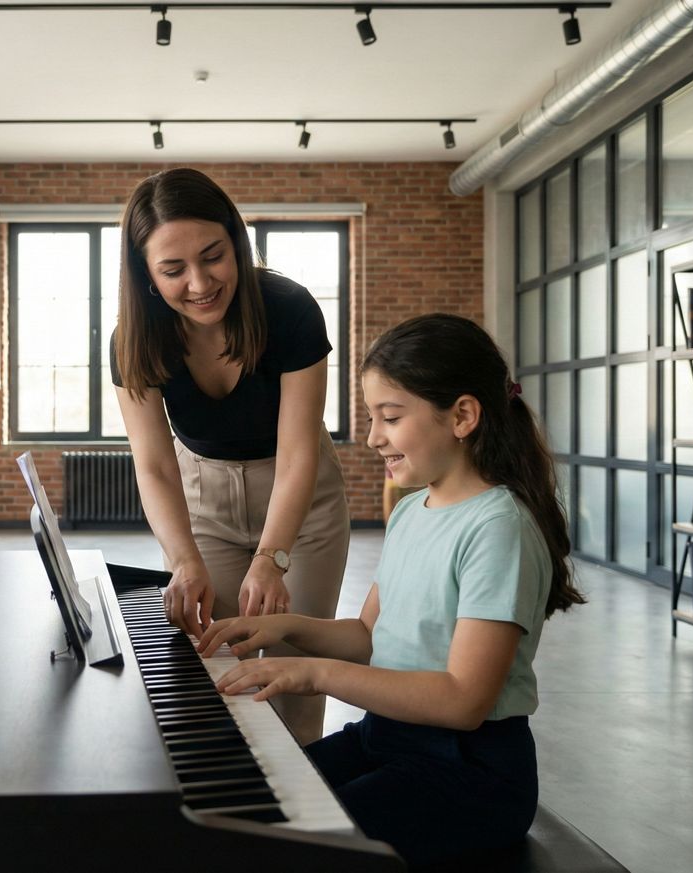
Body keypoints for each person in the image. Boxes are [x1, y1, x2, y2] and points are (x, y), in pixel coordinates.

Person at [199, 313, 586, 867]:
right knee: (255, 803)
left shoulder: (499, 528)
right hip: (386, 738)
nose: (375, 436)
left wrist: (313, 673)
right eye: (371, 418)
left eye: (391, 417)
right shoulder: (411, 512)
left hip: (470, 772)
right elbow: (367, 636)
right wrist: (282, 628)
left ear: (463, 416)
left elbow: (463, 701)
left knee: (300, 844)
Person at [110, 168, 349, 746]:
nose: (199, 283)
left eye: (213, 256)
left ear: (236, 244)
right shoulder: (133, 339)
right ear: (146, 274)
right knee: (211, 665)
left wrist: (274, 556)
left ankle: (302, 826)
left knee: (292, 676)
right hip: (204, 500)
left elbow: (298, 455)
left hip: (301, 502)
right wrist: (182, 557)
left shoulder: (289, 310)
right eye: (173, 269)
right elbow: (155, 464)